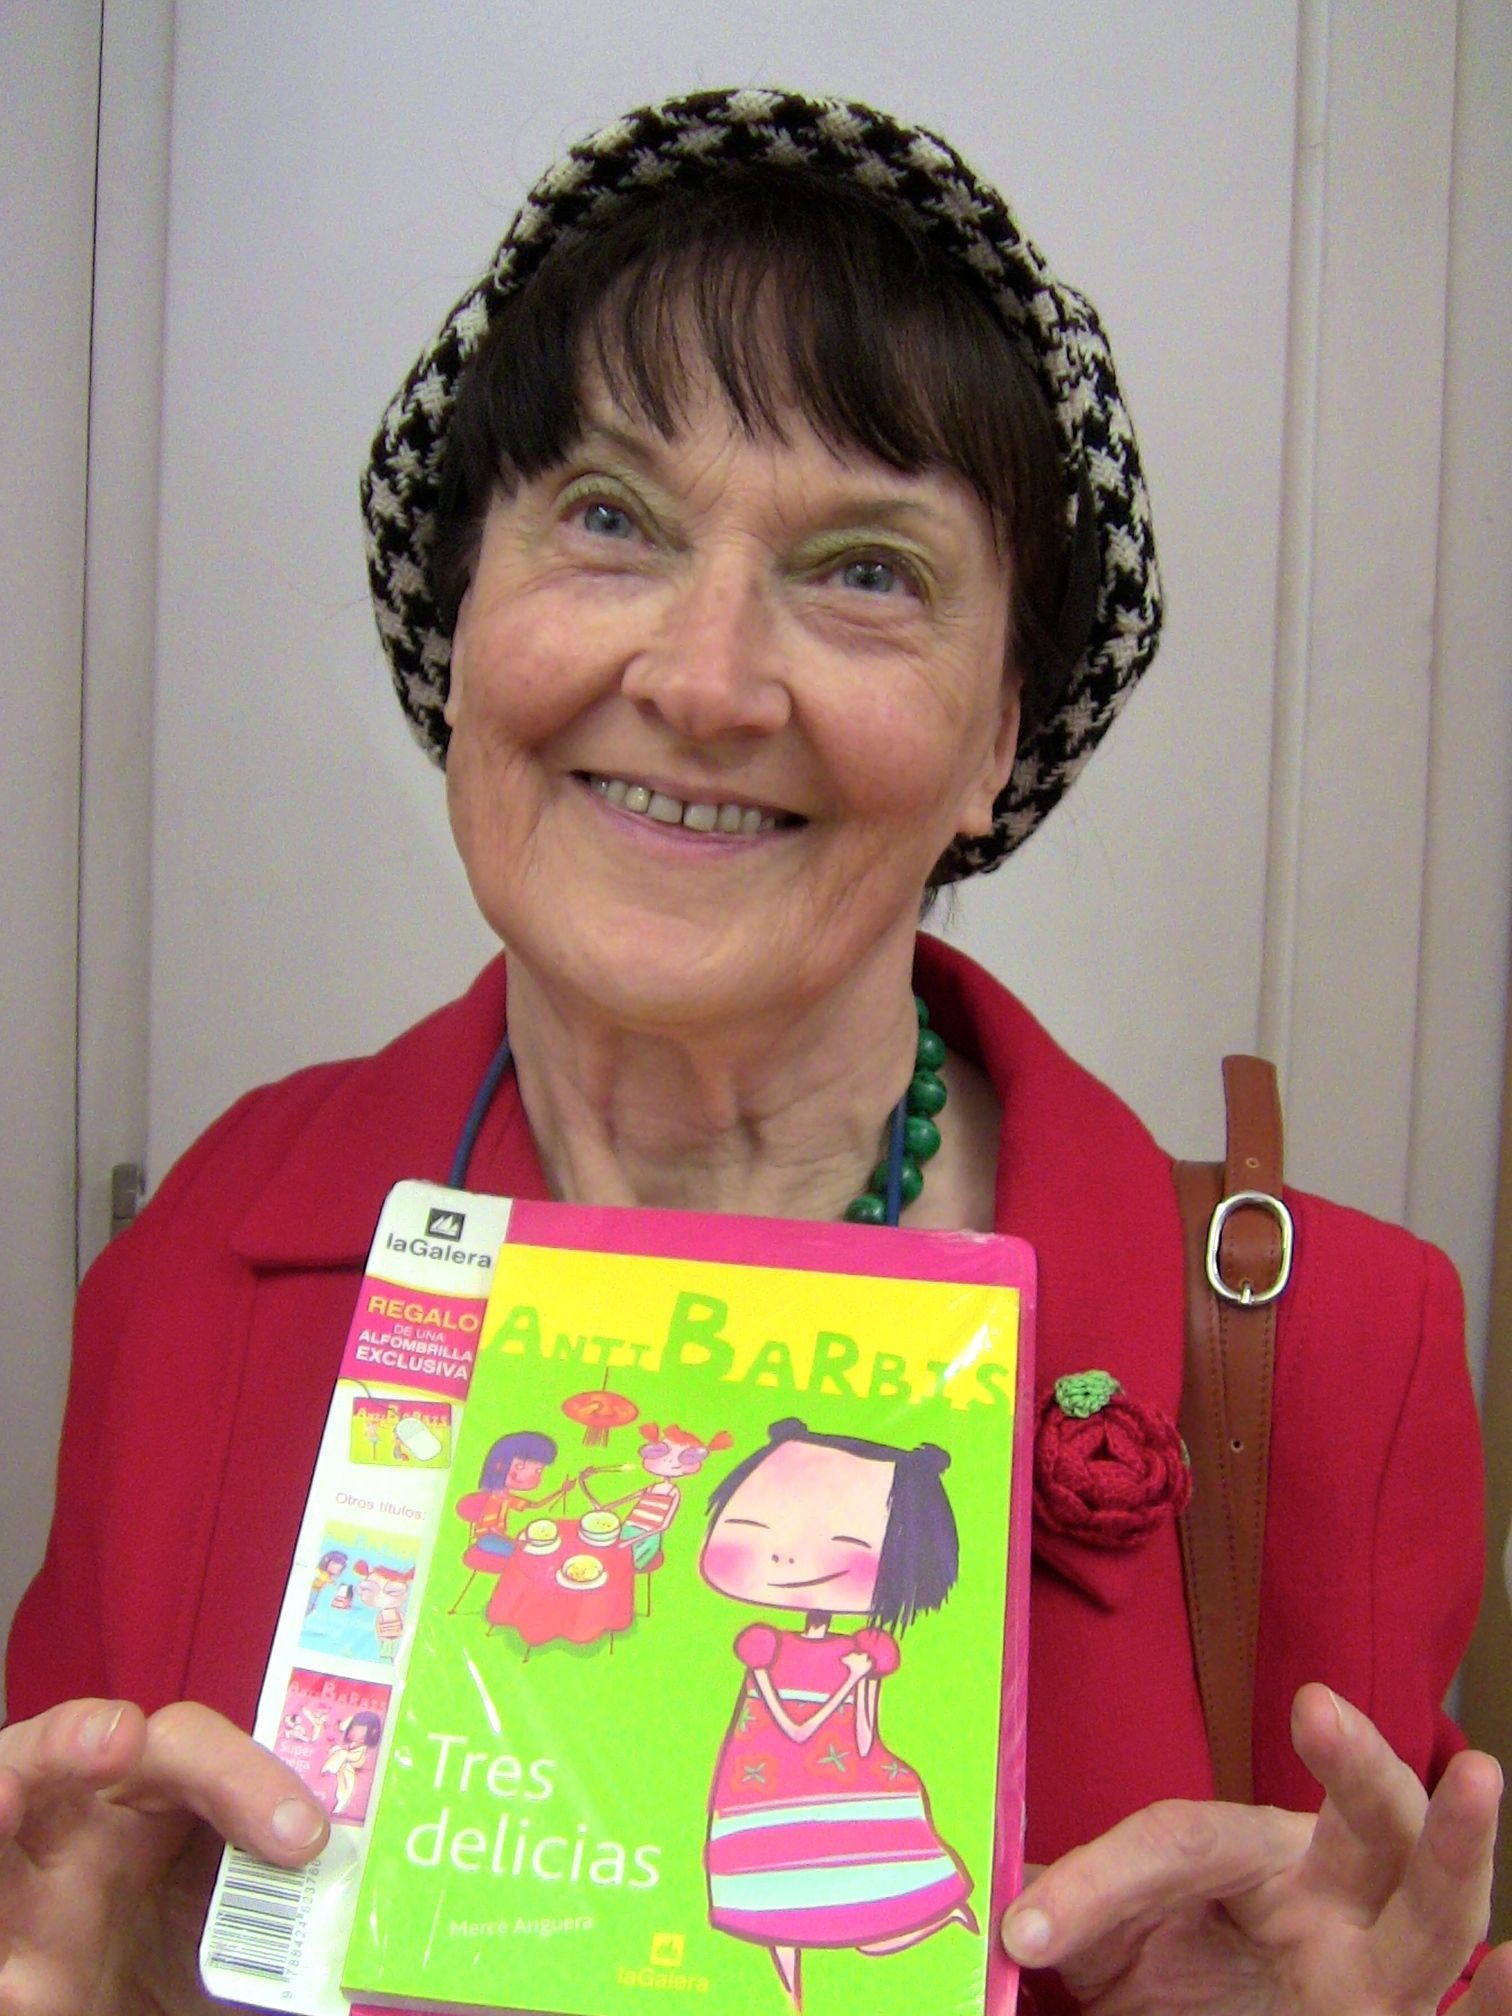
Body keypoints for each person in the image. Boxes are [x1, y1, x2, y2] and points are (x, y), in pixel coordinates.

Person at [2, 85, 1506, 2016]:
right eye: (608, 519)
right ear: (464, 613)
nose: (704, 681)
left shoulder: (1332, 1357)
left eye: (866, 569)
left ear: (1000, 733)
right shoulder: (198, 1263)